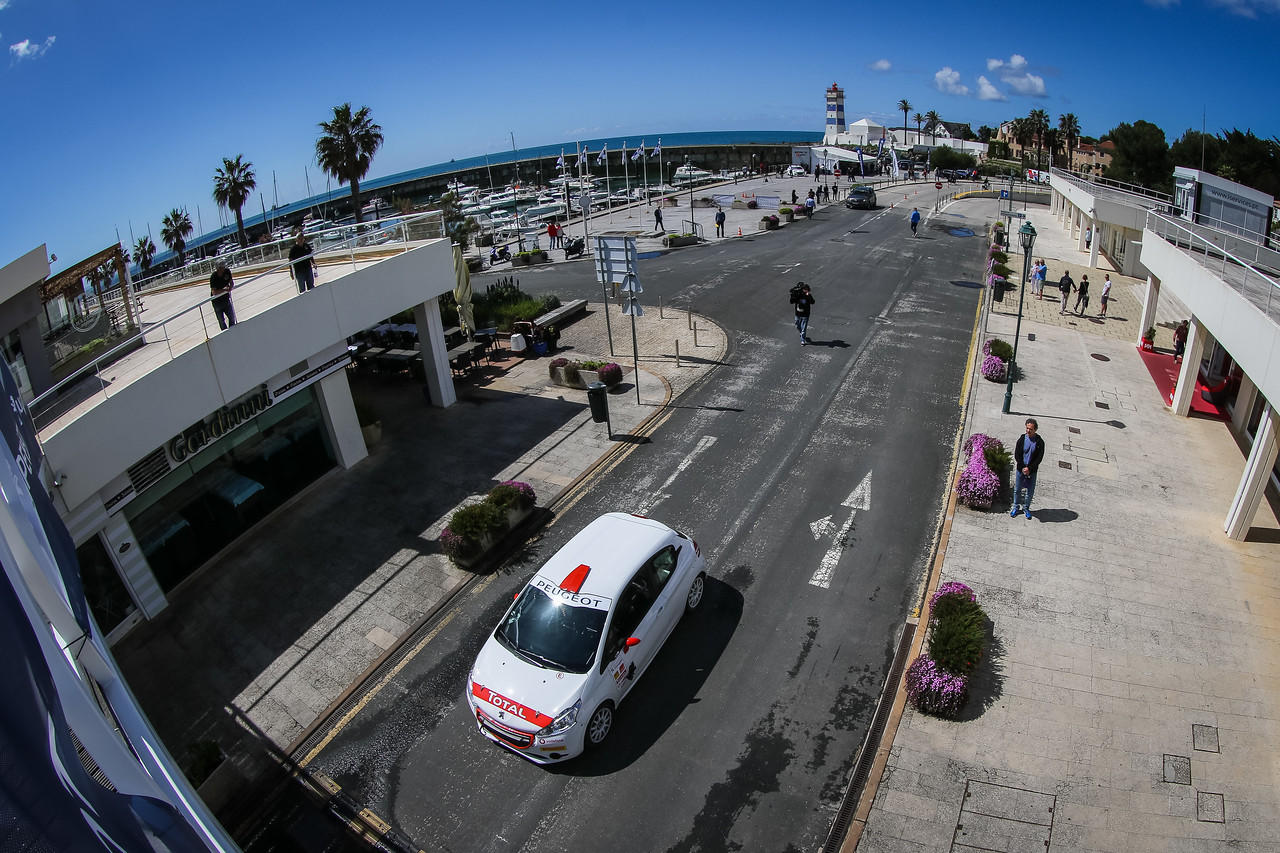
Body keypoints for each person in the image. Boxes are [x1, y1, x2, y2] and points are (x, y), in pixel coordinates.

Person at [1011, 418, 1045, 520]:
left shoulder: (1040, 442)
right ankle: (1016, 507)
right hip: (1020, 469)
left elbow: (1039, 458)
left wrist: (1029, 468)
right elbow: (1017, 454)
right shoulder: (1022, 439)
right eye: (1027, 428)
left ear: (1035, 430)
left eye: (1030, 429)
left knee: (1030, 491)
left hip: (1032, 471)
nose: (1028, 431)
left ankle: (1026, 508)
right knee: (1017, 490)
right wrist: (1022, 467)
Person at [209, 261, 236, 330]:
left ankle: (232, 330)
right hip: (217, 302)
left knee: (232, 317)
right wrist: (224, 290)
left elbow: (231, 282)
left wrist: (230, 287)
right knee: (221, 321)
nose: (223, 269)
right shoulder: (213, 277)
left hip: (226, 299)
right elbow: (214, 292)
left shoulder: (227, 272)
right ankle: (225, 333)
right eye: (221, 267)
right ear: (218, 268)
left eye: (224, 267)